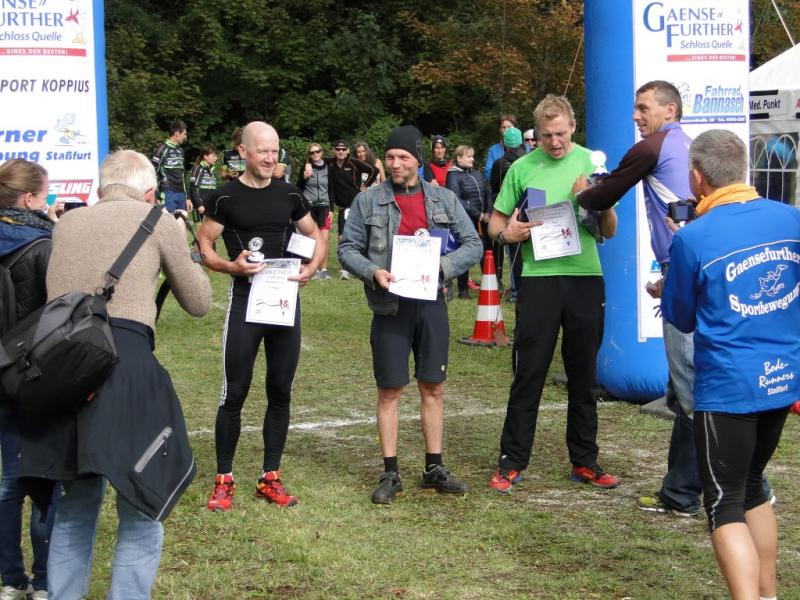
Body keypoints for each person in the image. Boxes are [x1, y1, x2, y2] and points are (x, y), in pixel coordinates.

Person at [17, 150, 211, 600]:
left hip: (64, 369)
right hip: (124, 365)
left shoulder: (67, 223)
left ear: (101, 188)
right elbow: (199, 302)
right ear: (149, 191)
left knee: (76, 506)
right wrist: (182, 245)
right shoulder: (158, 220)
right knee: (142, 503)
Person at [661, 129, 800, 600]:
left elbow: (680, 316)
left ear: (697, 177)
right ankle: (767, 594)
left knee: (724, 502)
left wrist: (674, 276)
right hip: (781, 377)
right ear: (743, 170)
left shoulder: (694, 237)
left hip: (730, 385)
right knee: (752, 485)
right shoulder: (791, 218)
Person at [575, 80, 702, 517]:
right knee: (683, 389)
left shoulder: (653, 146)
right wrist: (672, 276)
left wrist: (581, 192)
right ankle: (682, 489)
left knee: (692, 393)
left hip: (686, 274)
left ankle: (744, 485)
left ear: (670, 111)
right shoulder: (689, 145)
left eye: (643, 107)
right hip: (692, 271)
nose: (635, 115)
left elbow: (604, 194)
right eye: (634, 108)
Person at [338, 125, 483, 504]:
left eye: (403, 157)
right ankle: (390, 472)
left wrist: (442, 268)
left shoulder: (444, 198)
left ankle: (434, 467)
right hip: (390, 307)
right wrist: (373, 271)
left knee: (433, 386)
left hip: (431, 303)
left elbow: (473, 244)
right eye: (390, 157)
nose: (396, 163)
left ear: (418, 160)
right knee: (390, 390)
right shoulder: (368, 201)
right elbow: (347, 248)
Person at [486, 94, 619, 493]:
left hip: (585, 278)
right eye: (546, 136)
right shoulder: (522, 167)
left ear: (573, 127)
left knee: (584, 374)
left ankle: (585, 461)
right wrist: (507, 233)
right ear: (536, 135)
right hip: (539, 280)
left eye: (560, 133)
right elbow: (495, 223)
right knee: (529, 373)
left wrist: (595, 200)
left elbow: (610, 230)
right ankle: (512, 461)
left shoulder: (592, 164)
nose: (555, 142)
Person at [199, 122, 327, 511]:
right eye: (262, 151)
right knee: (234, 392)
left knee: (280, 390)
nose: (271, 158)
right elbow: (204, 242)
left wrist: (311, 267)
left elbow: (315, 236)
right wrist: (229, 266)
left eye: (275, 151)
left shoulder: (290, 193)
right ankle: (224, 480)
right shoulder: (224, 196)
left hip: (284, 303)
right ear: (243, 152)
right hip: (245, 304)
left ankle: (270, 477)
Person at [0, 159, 61, 600]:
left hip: (1, 373)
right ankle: (43, 580)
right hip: (34, 371)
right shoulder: (43, 245)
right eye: (43, 194)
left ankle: (10, 579)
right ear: (28, 199)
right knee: (44, 479)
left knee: (9, 479)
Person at [444, 144, 488, 299]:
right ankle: (463, 290)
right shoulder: (452, 176)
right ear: (459, 158)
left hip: (483, 219)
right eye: (469, 156)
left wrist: (488, 212)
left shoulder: (476, 173)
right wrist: (478, 214)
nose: (472, 159)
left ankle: (489, 283)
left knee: (487, 252)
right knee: (465, 252)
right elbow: (456, 199)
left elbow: (486, 192)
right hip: (465, 220)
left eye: (473, 156)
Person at [490, 126, 528, 302]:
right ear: (522, 142)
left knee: (513, 252)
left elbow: (494, 187)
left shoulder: (499, 163)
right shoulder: (530, 160)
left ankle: (516, 292)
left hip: (508, 211)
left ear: (505, 144)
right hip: (530, 207)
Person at [329, 139, 377, 279]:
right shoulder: (330, 163)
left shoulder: (353, 162)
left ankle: (364, 264)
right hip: (342, 207)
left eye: (344, 149)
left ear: (348, 150)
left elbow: (374, 170)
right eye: (338, 149)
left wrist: (365, 186)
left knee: (361, 235)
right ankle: (345, 268)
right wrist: (308, 163)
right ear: (334, 150)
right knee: (342, 237)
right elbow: (315, 159)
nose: (341, 152)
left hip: (356, 205)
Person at [298, 142, 336, 279]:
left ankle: (323, 270)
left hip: (324, 206)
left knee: (324, 238)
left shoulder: (328, 166)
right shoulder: (306, 166)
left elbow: (331, 189)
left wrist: (331, 209)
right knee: (310, 238)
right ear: (309, 155)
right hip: (309, 206)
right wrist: (304, 177)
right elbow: (299, 187)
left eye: (317, 151)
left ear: (321, 152)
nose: (315, 154)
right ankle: (310, 268)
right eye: (312, 152)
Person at [151, 119, 190, 214]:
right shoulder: (162, 149)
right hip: (167, 192)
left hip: (181, 193)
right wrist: (155, 195)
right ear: (177, 133)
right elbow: (153, 173)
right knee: (167, 221)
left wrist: (187, 197)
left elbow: (182, 175)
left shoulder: (180, 151)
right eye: (184, 134)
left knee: (182, 221)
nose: (185, 137)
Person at [482, 114, 519, 184]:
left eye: (509, 127)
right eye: (503, 127)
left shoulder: (525, 147)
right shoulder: (493, 150)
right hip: (500, 186)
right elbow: (487, 173)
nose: (506, 130)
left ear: (515, 129)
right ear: (500, 129)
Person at [188, 146, 218, 221]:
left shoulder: (212, 171)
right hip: (200, 206)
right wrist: (199, 204)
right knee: (199, 228)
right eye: (213, 156)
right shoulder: (198, 168)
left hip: (210, 206)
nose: (216, 158)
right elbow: (193, 188)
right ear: (205, 156)